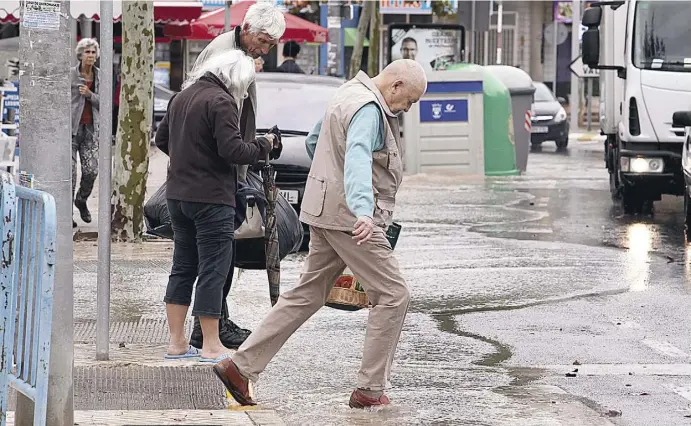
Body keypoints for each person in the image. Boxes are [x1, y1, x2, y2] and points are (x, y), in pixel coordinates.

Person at [213, 59, 427, 408]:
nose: (406, 108)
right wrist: (362, 210)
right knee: (393, 295)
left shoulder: (346, 93)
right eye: (409, 100)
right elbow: (357, 156)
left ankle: (241, 367)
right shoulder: (370, 110)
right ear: (397, 84)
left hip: (323, 209)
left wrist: (330, 180)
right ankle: (369, 391)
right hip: (350, 218)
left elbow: (316, 143)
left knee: (307, 293)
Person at [154, 50, 283, 362]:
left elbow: (161, 140)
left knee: (183, 267)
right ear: (236, 79)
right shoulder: (221, 101)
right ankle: (211, 345)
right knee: (214, 267)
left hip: (178, 196)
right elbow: (233, 151)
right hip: (212, 199)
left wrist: (187, 159)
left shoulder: (181, 97)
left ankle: (177, 343)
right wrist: (263, 145)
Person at [187, 1, 286, 352]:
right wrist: (252, 150)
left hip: (223, 170)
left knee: (217, 253)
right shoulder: (224, 54)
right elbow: (216, 121)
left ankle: (211, 322)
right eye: (264, 41)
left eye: (271, 45)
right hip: (216, 172)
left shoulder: (237, 52)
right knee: (217, 253)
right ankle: (211, 327)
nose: (266, 50)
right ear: (247, 29)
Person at [71, 38, 101, 228]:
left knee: (91, 170)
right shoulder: (70, 76)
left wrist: (90, 96)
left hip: (91, 130)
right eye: (87, 52)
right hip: (71, 131)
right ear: (80, 54)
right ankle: (67, 215)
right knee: (70, 174)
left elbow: (106, 101)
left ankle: (81, 200)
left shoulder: (101, 76)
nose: (90, 55)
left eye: (93, 52)